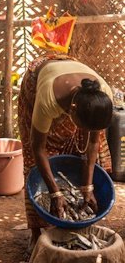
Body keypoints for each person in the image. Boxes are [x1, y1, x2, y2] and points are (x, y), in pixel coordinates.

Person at [18, 53, 113, 256]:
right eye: (81, 125)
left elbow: (93, 141)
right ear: (72, 110)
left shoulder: (102, 97)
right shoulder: (48, 99)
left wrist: (87, 187)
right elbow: (38, 148)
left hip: (79, 96)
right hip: (38, 81)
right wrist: (55, 192)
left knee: (85, 144)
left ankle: (72, 223)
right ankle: (36, 231)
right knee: (33, 157)